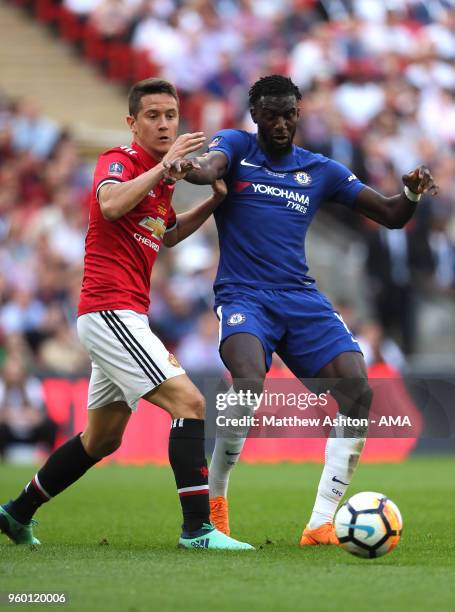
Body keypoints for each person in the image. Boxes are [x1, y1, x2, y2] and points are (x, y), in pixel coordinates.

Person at [0, 78, 253, 551]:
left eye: (171, 116)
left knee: (102, 439)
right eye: (153, 116)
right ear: (132, 123)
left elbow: (169, 233)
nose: (163, 124)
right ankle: (198, 530)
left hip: (123, 313)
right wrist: (165, 168)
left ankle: (17, 513)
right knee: (190, 404)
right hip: (109, 308)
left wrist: (214, 201)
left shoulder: (161, 179)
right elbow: (112, 204)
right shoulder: (119, 161)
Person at [185, 74, 437, 545]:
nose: (281, 123)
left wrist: (410, 194)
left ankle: (321, 521)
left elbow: (389, 215)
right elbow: (209, 166)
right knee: (248, 381)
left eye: (289, 114)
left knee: (359, 391)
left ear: (299, 115)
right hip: (244, 295)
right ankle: (215, 503)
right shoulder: (237, 148)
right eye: (272, 114)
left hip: (300, 298)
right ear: (255, 114)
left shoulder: (320, 169)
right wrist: (190, 169)